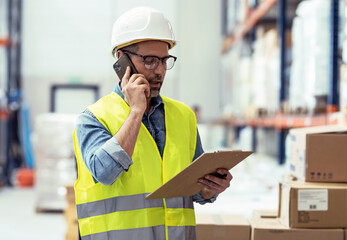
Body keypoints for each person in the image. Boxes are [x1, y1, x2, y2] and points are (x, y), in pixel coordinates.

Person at [73, 6, 233, 240]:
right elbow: (105, 172)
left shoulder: (184, 116)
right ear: (122, 60)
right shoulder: (93, 118)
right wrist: (136, 111)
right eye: (149, 61)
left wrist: (210, 189)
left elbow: (196, 189)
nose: (159, 70)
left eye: (164, 60)